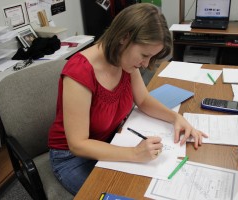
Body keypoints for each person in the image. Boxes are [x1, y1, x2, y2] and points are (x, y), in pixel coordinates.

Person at [48, 3, 208, 195]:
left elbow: (143, 100)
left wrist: (176, 118)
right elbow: (78, 144)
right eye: (144, 55)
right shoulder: (80, 72)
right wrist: (134, 153)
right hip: (72, 158)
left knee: (151, 188)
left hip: (110, 141)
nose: (146, 64)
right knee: (127, 193)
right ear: (123, 38)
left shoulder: (123, 60)